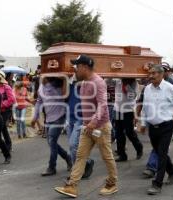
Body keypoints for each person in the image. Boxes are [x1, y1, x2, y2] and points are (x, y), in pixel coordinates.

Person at [55, 54, 118, 198]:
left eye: (77, 66)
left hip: (100, 127)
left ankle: (112, 183)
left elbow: (103, 106)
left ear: (84, 67)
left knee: (107, 156)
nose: (75, 69)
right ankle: (72, 186)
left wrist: (93, 123)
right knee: (80, 156)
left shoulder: (98, 82)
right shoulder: (83, 82)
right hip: (87, 127)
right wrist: (87, 123)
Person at [139, 64, 173, 195]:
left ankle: (157, 184)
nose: (151, 76)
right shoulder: (147, 88)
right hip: (152, 128)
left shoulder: (169, 88)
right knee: (160, 152)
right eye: (150, 73)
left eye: (154, 73)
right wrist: (143, 123)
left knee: (161, 154)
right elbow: (145, 107)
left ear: (161, 74)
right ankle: (172, 171)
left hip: (166, 126)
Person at [31, 76, 72, 176]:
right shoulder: (41, 87)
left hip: (59, 117)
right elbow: (39, 102)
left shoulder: (57, 85)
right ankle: (67, 157)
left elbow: (64, 95)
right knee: (51, 142)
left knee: (52, 141)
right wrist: (35, 117)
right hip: (49, 118)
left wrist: (64, 79)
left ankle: (51, 167)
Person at [66, 74, 94, 178]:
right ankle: (86, 163)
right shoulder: (70, 82)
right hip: (70, 117)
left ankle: (77, 171)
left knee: (73, 145)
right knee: (73, 146)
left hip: (81, 118)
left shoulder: (87, 82)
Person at [114, 78, 143, 162]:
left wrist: (126, 84)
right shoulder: (117, 80)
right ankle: (122, 155)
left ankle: (139, 148)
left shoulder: (134, 82)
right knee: (118, 134)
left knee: (129, 132)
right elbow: (107, 81)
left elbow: (133, 96)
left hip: (128, 111)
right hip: (117, 110)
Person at [0, 71, 15, 151]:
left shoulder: (6, 87)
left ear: (0, 78)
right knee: (2, 128)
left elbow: (12, 99)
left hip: (6, 111)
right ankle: (7, 145)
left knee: (1, 127)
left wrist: (1, 104)